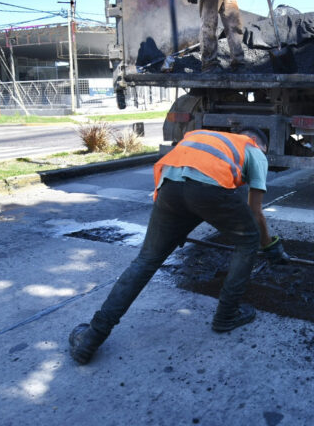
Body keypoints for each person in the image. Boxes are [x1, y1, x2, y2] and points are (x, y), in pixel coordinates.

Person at [69, 127, 287, 365]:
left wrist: (178, 228)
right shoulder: (254, 150)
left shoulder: (203, 136)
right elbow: (255, 212)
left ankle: (92, 336)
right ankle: (227, 314)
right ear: (257, 142)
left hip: (170, 189)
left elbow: (190, 183)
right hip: (209, 190)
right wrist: (269, 245)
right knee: (247, 241)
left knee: (146, 260)